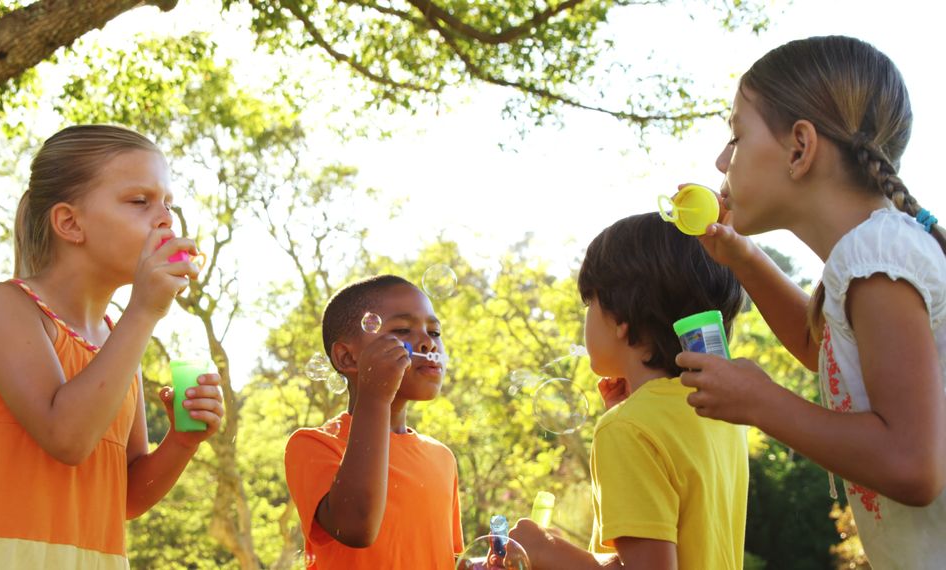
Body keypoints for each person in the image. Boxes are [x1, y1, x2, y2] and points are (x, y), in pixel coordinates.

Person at [676, 35, 946, 568]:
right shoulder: (870, 253)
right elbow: (827, 355)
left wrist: (761, 402)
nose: (721, 159)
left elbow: (914, 465)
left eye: (736, 135)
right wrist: (744, 258)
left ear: (800, 148)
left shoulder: (875, 254)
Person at [0, 125, 226, 569]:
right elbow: (66, 437)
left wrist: (182, 442)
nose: (165, 218)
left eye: (167, 203)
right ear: (70, 223)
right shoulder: (5, 306)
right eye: (139, 201)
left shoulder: (115, 340)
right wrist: (143, 312)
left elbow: (125, 495)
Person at [510, 213, 748, 569]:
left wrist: (544, 550)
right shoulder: (719, 409)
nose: (587, 316)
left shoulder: (627, 429)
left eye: (589, 303)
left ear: (621, 318)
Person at [284, 275, 464, 568]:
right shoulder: (314, 444)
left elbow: (447, 559)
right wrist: (375, 398)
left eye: (435, 332)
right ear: (347, 357)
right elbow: (356, 526)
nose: (428, 344)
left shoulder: (442, 457)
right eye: (404, 329)